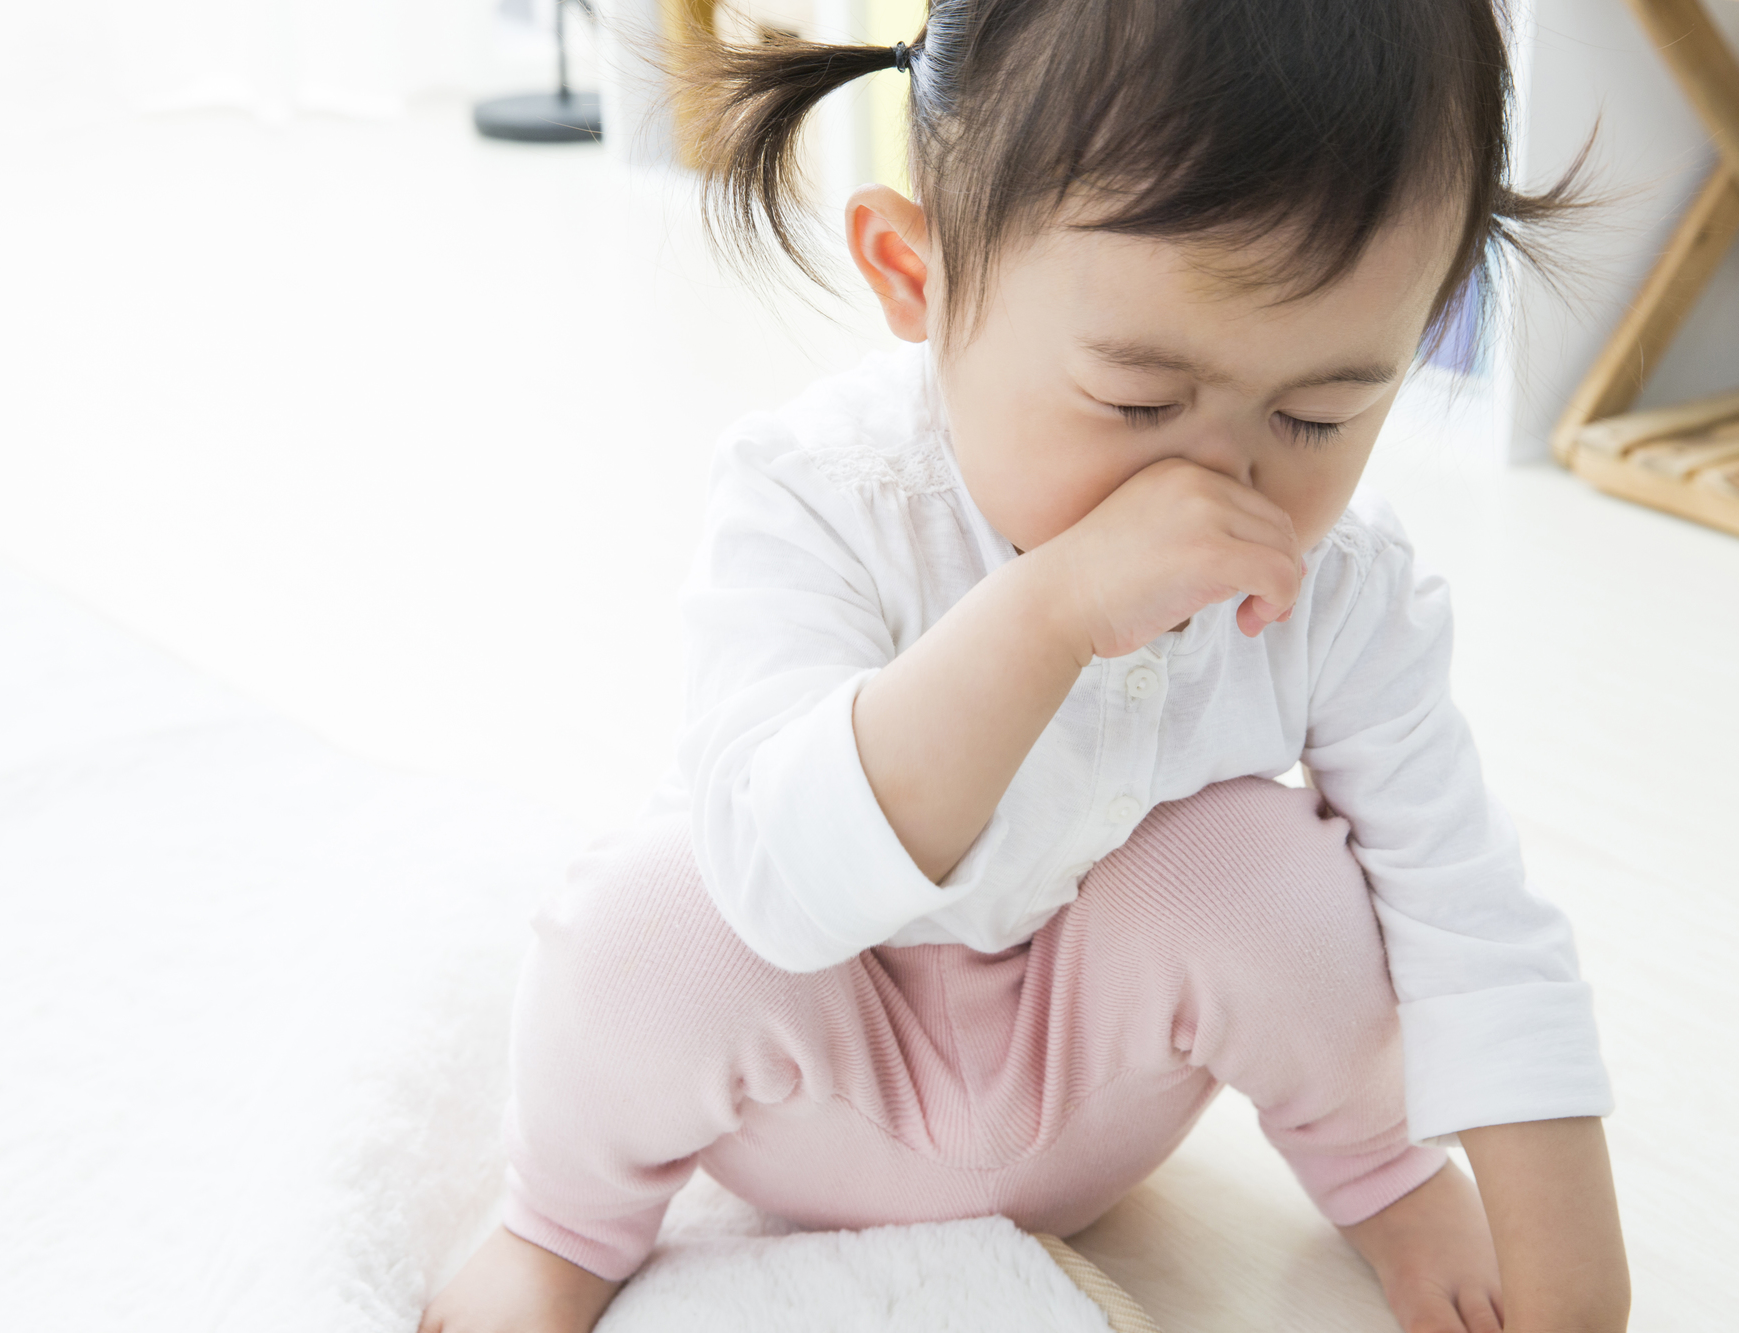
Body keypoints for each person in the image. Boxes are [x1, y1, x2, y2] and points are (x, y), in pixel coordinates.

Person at [423, 1, 1630, 1329]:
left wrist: (1579, 1289)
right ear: (915, 277)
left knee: (1276, 871)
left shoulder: (1342, 588)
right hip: (813, 1080)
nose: (1216, 481)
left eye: (1315, 414)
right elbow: (780, 887)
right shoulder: (819, 496)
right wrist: (1052, 610)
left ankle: (1383, 1176)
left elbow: (1471, 920)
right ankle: (561, 1228)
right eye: (1136, 403)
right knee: (645, 923)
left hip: (1091, 1101)